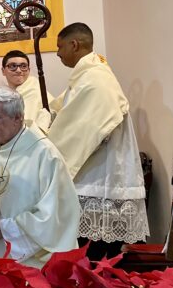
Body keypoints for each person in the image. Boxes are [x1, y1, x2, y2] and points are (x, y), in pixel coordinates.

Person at [46, 22, 149, 261]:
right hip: (97, 174)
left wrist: (49, 151)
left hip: (101, 177)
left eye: (60, 47)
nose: (58, 53)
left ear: (75, 44)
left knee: (94, 257)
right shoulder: (89, 76)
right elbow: (64, 110)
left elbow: (81, 129)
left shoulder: (96, 80)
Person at [0, 86, 80, 268]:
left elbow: (56, 216)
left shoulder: (45, 154)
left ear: (17, 117)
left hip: (34, 264)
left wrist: (5, 229)